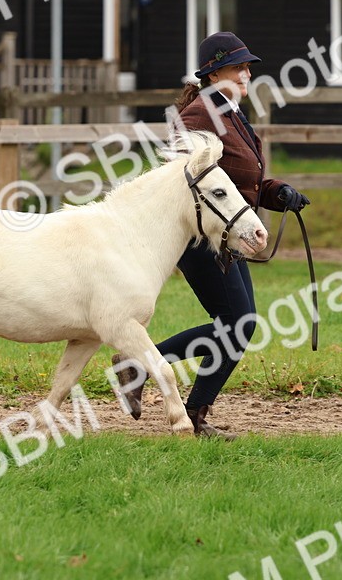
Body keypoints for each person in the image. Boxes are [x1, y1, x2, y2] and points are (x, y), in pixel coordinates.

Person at [112, 31, 310, 439]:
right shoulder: (199, 116)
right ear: (214, 73)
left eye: (248, 68)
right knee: (238, 324)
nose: (246, 75)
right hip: (201, 240)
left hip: (226, 236)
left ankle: (189, 411)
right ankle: (139, 364)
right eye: (238, 68)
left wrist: (277, 193)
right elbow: (190, 182)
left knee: (240, 326)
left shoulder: (231, 113)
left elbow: (238, 180)